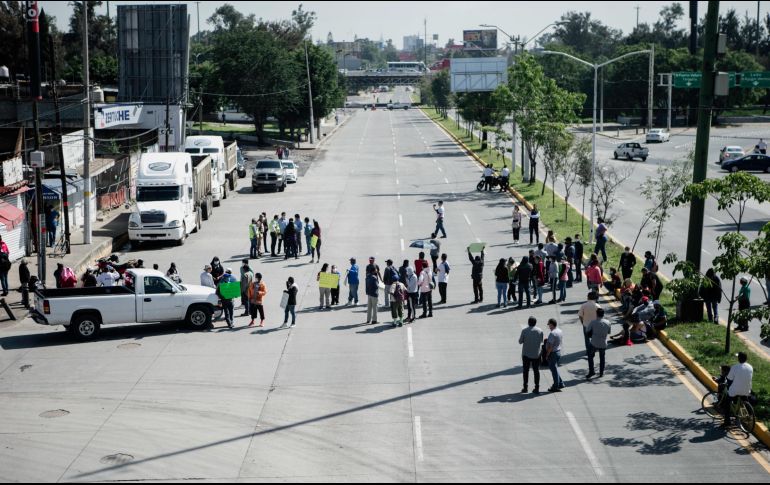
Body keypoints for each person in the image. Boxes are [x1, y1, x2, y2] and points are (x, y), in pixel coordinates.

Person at [722, 352, 753, 429]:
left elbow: (729, 379)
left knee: (726, 403)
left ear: (739, 359)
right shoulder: (750, 367)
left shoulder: (735, 367)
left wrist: (729, 386)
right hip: (747, 389)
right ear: (746, 359)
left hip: (735, 390)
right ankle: (751, 414)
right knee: (745, 399)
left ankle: (727, 422)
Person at [519, 316, 543, 394]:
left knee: (526, 371)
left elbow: (520, 341)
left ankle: (525, 387)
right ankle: (537, 387)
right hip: (536, 354)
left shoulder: (524, 330)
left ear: (528, 322)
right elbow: (541, 341)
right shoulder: (540, 331)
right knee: (536, 371)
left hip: (526, 354)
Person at [586, 308, 611, 379]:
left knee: (590, 356)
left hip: (594, 342)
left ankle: (591, 371)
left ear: (596, 314)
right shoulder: (608, 322)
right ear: (603, 314)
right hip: (603, 343)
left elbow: (587, 331)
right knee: (602, 358)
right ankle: (601, 373)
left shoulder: (593, 322)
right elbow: (609, 332)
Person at [545, 318, 565, 392]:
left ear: (552, 324)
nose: (549, 327)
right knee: (555, 369)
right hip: (558, 351)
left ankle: (555, 386)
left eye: (549, 325)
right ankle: (561, 383)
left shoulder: (552, 333)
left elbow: (550, 346)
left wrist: (547, 355)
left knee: (553, 370)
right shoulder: (559, 331)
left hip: (553, 353)